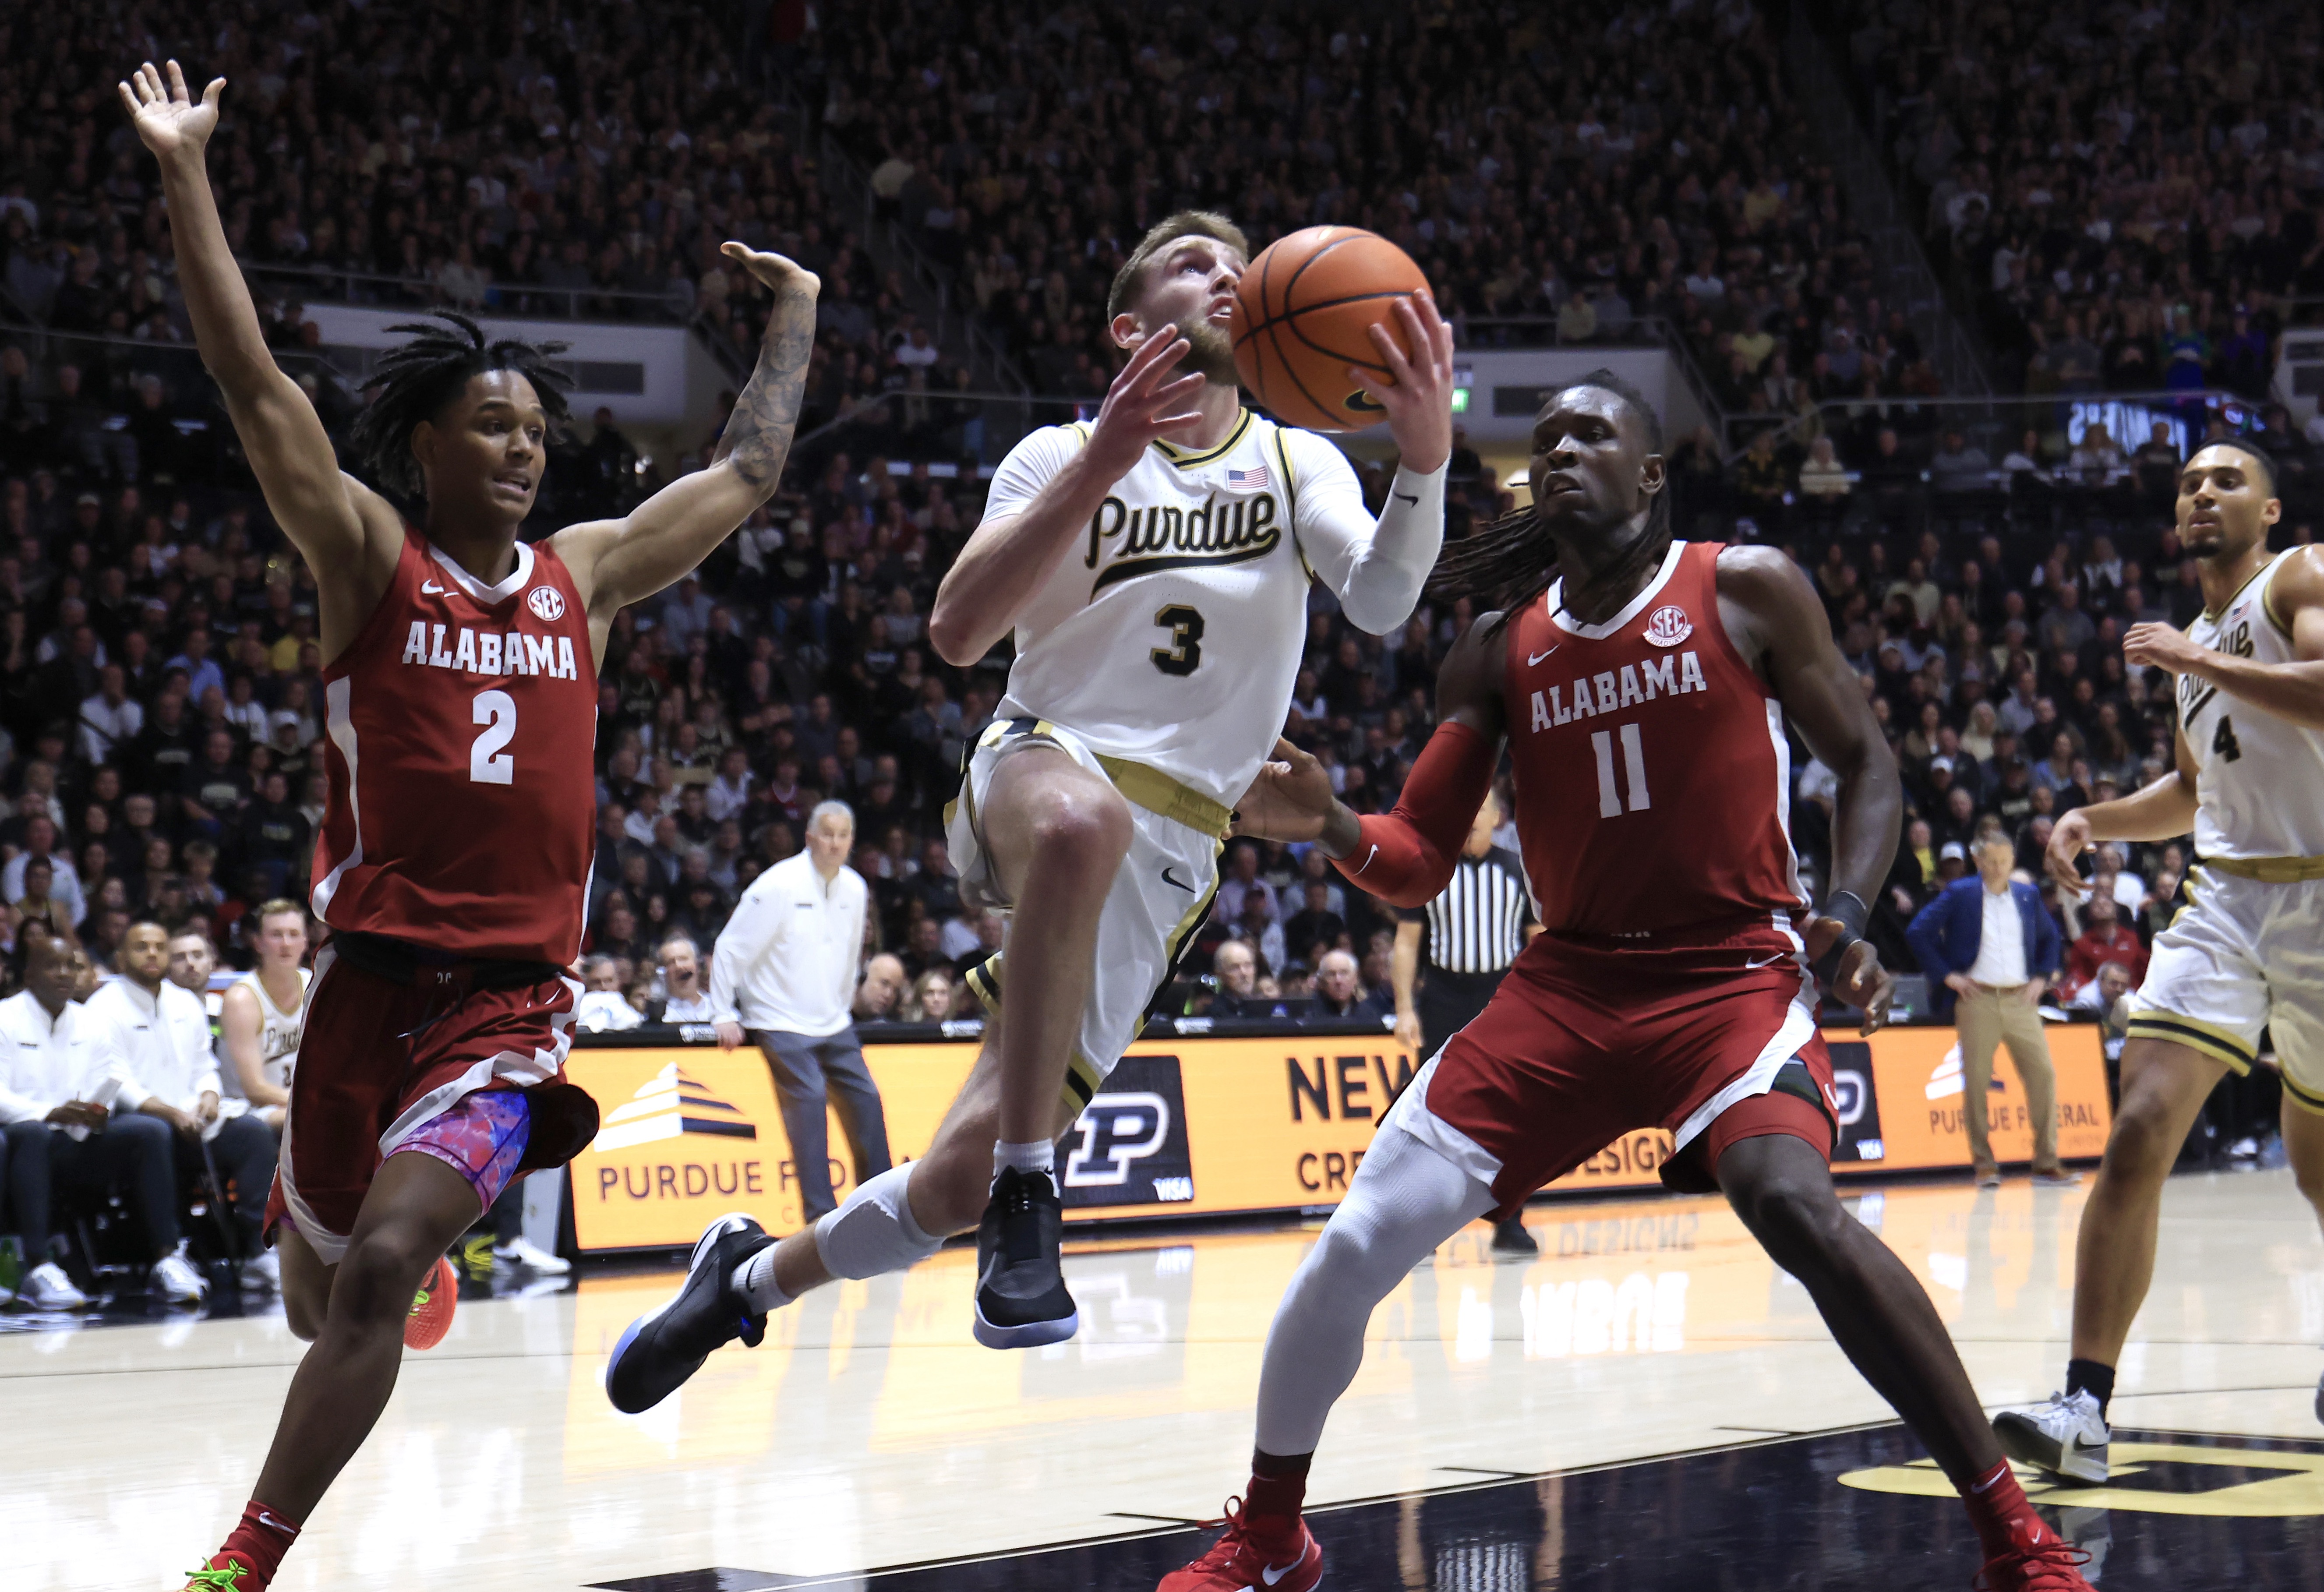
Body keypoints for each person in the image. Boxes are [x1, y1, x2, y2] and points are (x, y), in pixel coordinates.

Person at [1157, 373, 2091, 1592]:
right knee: (1355, 1243)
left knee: (1789, 1201)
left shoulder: (1744, 584)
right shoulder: (1497, 647)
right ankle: (1272, 1532)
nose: (1559, 451)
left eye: (1591, 432)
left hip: (1732, 973)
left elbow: (1866, 764)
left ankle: (2012, 1535)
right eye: (1544, 438)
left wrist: (1849, 915)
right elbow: (1421, 858)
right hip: (1569, 987)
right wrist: (1332, 818)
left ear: (1650, 472)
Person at [122, 60, 821, 1592]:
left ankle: (243, 1557)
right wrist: (185, 170)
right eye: (488, 426)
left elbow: (751, 470)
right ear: (425, 447)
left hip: (505, 1005)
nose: (519, 447)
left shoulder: (592, 571)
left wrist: (798, 315)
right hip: (364, 989)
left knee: (374, 1266)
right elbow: (253, 387)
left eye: (530, 429)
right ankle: (390, 1253)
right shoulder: (366, 555)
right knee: (323, 1302)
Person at [603, 207, 1450, 1401]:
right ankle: (1032, 1189)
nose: (1222, 273)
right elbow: (956, 633)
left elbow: (1379, 603)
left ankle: (742, 1281)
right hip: (1036, 764)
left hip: (1173, 849)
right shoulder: (1057, 452)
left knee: (942, 1183)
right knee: (1077, 820)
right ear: (1126, 325)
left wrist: (1422, 458)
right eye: (1188, 261)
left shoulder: (1296, 459)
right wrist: (1106, 462)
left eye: (1234, 262)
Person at [1996, 438, 2324, 1484]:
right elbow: (2194, 793)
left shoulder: (2301, 576)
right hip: (2226, 899)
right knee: (2138, 1125)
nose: (2202, 493)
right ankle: (2085, 1405)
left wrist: (2199, 664)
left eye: (2228, 480)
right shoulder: (2191, 641)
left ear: (2269, 512)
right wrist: (2095, 815)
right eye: (2188, 482)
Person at [706, 801, 893, 1225]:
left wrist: (845, 1002)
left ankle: (882, 1219)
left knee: (867, 1100)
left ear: (851, 841)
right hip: (778, 1019)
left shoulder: (856, 887)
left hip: (833, 1021)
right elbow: (729, 947)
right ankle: (820, 1225)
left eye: (842, 835)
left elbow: (850, 953)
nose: (833, 842)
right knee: (808, 1102)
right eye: (825, 833)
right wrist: (722, 1012)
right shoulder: (777, 885)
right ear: (809, 837)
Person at [0, 936, 199, 1309]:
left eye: (72, 966)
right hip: (21, 1144)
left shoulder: (92, 1022)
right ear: (28, 974)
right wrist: (48, 1113)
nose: (64, 974)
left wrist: (98, 1111)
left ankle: (167, 1258)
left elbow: (105, 1081)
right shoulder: (5, 1017)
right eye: (52, 965)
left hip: (76, 1140)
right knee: (33, 1133)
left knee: (148, 1131)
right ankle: (39, 1267)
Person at [86, 918, 280, 1294]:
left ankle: (259, 1254)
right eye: (142, 947)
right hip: (138, 1126)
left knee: (253, 1134)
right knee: (152, 1132)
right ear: (121, 956)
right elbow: (117, 1081)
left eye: (160, 946)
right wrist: (171, 1113)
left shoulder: (184, 1002)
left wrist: (209, 1097)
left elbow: (204, 1066)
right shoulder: (102, 1007)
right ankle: (168, 1255)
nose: (153, 954)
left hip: (192, 1119)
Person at [1388, 787, 1540, 1254]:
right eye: (1465, 808)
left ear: (1497, 817)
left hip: (1501, 999)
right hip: (1442, 996)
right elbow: (1406, 944)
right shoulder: (1432, 868)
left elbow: (1539, 942)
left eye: (1480, 808)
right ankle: (1419, 1219)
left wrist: (1538, 1009)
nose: (1471, 817)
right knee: (1428, 1109)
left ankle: (1509, 1219)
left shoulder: (1519, 870)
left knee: (1510, 1110)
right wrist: (1404, 1008)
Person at [1905, 836, 2077, 1188]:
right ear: (1978, 860)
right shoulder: (1961, 893)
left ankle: (2046, 1163)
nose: (1998, 866)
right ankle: (1984, 1164)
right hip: (1978, 998)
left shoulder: (2027, 896)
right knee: (1977, 1084)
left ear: (2013, 859)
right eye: (1991, 860)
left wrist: (2043, 977)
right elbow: (1918, 931)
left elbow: (2051, 937)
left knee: (2043, 1076)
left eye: (2004, 859)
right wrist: (1948, 975)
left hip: (2021, 1000)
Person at [219, 899, 308, 1136]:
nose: (286, 944)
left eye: (294, 934)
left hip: (298, 1105)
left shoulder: (315, 985)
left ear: (305, 942)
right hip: (249, 1111)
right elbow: (255, 1089)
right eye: (276, 935)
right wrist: (312, 1105)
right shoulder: (242, 999)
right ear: (258, 943)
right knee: (316, 1122)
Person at [652, 933, 716, 1023]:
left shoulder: (719, 1007)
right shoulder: (659, 1015)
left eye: (684, 959)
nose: (679, 966)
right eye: (671, 962)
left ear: (698, 965)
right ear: (662, 972)